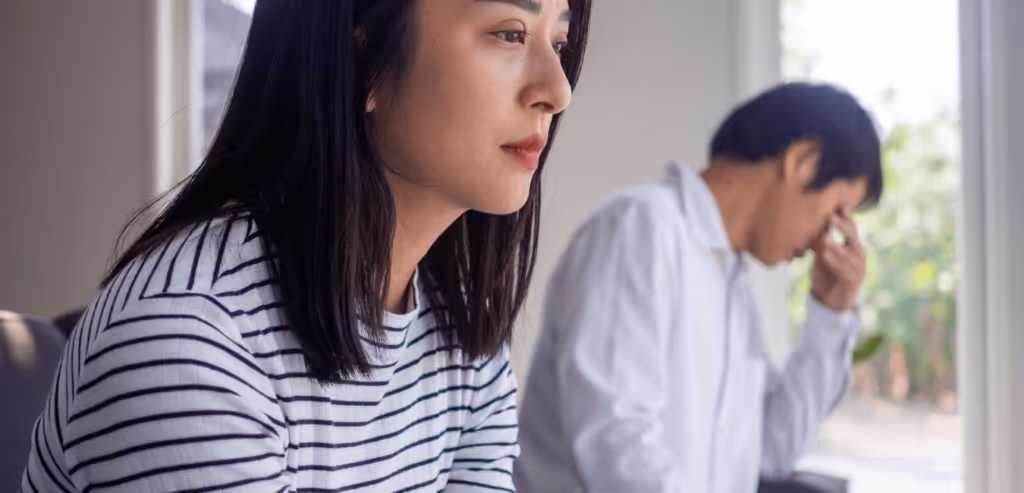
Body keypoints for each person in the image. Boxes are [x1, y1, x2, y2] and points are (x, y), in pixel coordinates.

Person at [22, 0, 590, 491]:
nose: (558, 91)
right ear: (363, 58)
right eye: (510, 33)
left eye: (559, 42)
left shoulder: (461, 326)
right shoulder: (189, 338)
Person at [514, 82, 884, 493]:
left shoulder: (731, 284)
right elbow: (616, 445)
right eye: (836, 211)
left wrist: (830, 316)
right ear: (802, 161)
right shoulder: (641, 228)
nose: (826, 238)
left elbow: (772, 451)